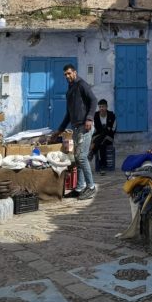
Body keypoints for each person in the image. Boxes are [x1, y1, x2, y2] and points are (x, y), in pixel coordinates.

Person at [53, 64, 97, 200]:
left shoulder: (82, 84)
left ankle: (91, 187)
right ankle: (79, 188)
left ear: (75, 73)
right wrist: (59, 130)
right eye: (65, 74)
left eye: (69, 73)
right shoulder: (70, 90)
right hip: (76, 127)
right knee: (77, 159)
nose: (67, 76)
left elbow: (93, 100)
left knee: (82, 157)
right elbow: (69, 113)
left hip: (85, 126)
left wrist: (89, 118)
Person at [89, 99, 116, 175]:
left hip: (109, 137)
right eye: (100, 107)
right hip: (98, 137)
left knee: (104, 133)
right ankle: (102, 167)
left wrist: (106, 131)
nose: (101, 108)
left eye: (103, 106)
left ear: (106, 107)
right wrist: (107, 129)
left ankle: (92, 152)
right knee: (101, 144)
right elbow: (93, 129)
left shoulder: (111, 115)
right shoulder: (96, 115)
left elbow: (113, 129)